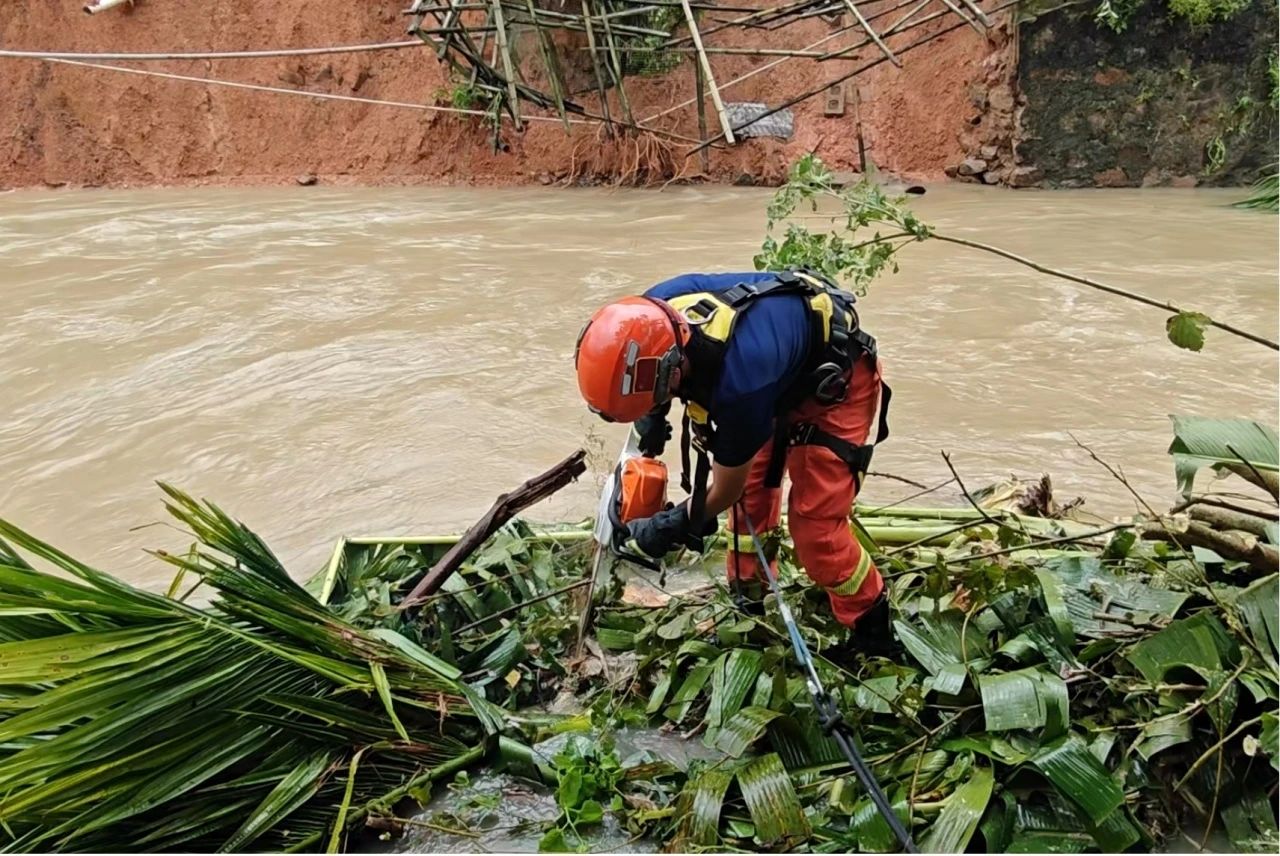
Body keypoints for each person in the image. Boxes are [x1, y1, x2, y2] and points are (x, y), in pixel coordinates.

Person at [573, 269, 895, 652]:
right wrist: (652, 417)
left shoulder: (740, 386)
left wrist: (671, 526)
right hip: (777, 369)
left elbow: (726, 490)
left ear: (671, 371)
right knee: (749, 511)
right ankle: (750, 610)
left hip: (836, 382)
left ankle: (872, 630)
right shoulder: (647, 315)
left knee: (816, 530)